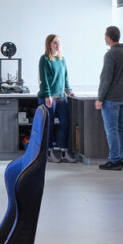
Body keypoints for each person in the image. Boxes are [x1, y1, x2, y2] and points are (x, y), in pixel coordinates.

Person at [95, 26, 123, 170]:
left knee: (111, 130)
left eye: (105, 35)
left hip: (111, 98)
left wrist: (100, 98)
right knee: (122, 128)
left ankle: (114, 160)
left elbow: (106, 79)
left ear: (109, 38)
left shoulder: (111, 54)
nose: (105, 38)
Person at [37, 33, 75, 162]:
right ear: (49, 45)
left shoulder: (62, 59)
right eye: (54, 42)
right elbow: (44, 79)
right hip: (48, 98)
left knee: (65, 124)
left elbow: (65, 78)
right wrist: (48, 95)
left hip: (61, 98)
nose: (57, 45)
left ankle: (64, 152)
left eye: (59, 42)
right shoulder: (45, 59)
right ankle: (49, 152)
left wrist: (68, 91)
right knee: (49, 125)